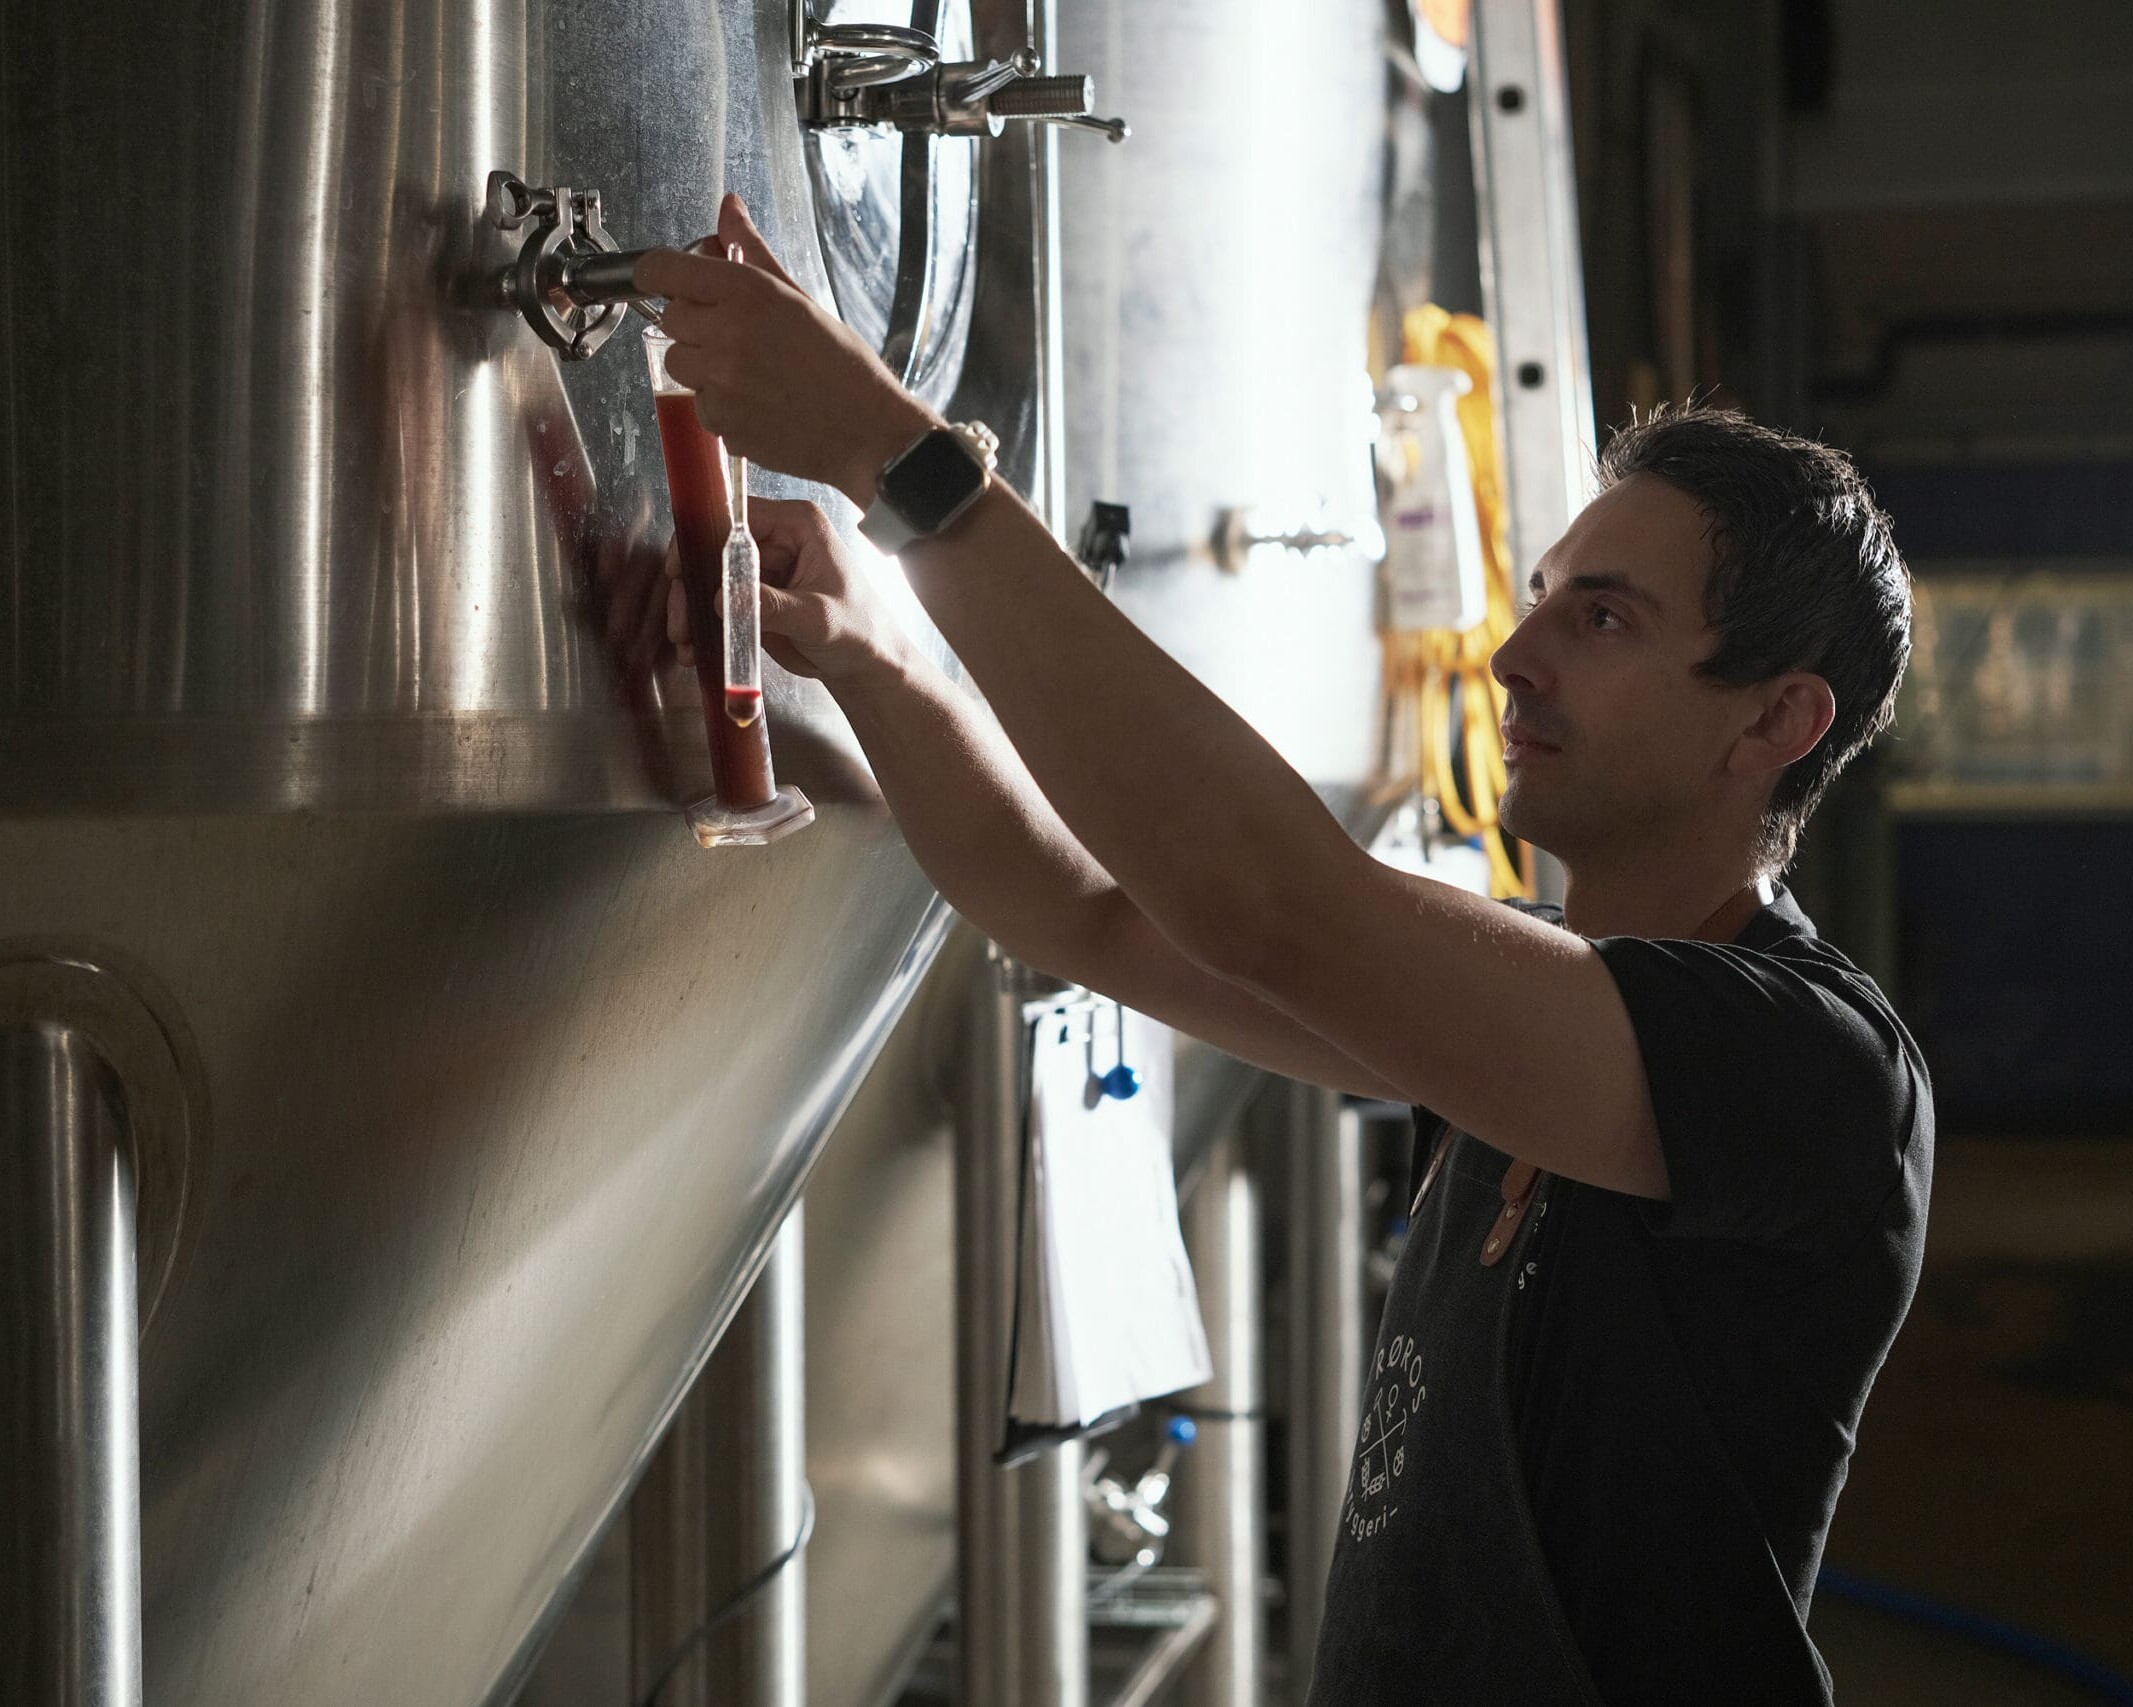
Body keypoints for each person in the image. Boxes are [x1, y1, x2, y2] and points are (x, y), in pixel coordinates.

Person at [636, 196, 1932, 1706]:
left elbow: (1269, 900)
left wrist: (900, 465)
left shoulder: (1803, 1063)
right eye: (1540, 605)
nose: (1516, 657)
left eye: (1603, 620)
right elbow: (1087, 913)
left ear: (1775, 722)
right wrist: (867, 652)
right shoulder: (1525, 1010)